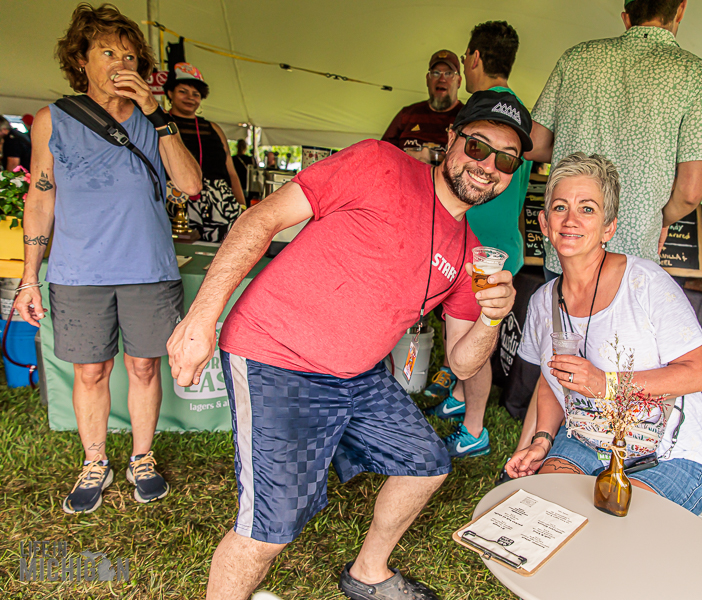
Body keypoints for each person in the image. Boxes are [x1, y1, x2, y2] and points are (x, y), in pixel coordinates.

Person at [166, 90, 531, 600]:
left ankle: (368, 572)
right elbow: (261, 218)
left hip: (357, 375)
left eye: (506, 159)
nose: (488, 165)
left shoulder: (470, 252)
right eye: (478, 146)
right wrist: (201, 318)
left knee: (427, 462)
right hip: (277, 356)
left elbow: (462, 362)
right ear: (451, 139)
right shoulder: (379, 163)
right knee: (270, 528)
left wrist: (492, 316)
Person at [13, 3, 201, 515]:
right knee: (91, 371)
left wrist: (158, 114)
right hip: (78, 272)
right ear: (81, 60)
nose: (121, 64)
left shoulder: (155, 120)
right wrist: (29, 277)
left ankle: (142, 456)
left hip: (149, 268)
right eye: (107, 53)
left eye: (130, 56)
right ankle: (95, 461)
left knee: (143, 366)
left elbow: (190, 185)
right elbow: (41, 198)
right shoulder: (53, 119)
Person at [505, 152, 702, 515]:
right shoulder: (543, 300)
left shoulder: (646, 283)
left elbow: (699, 373)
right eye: (560, 207)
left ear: (609, 228)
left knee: (619, 526)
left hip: (667, 452)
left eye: (587, 209)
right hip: (586, 440)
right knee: (544, 510)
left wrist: (605, 383)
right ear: (544, 222)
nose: (570, 219)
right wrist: (541, 440)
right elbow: (551, 380)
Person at [528, 0, 702, 273]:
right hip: (632, 259)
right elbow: (690, 193)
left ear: (626, 18)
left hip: (569, 249)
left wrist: (576, 141)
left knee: (557, 302)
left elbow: (534, 146)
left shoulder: (576, 58)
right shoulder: (699, 76)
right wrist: (659, 221)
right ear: (680, 9)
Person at [425, 21, 531, 460]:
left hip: (481, 251)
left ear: (473, 58)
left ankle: (474, 429)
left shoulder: (482, 113)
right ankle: (460, 398)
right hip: (499, 245)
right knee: (461, 330)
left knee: (476, 344)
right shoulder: (521, 120)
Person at [163, 62, 246, 242]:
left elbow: (231, 173)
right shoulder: (161, 125)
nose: (190, 98)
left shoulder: (213, 128)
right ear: (170, 93)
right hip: (176, 199)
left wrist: (242, 206)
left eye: (196, 94)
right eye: (183, 91)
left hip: (220, 203)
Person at [381, 50, 463, 164]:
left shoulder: (466, 118)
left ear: (459, 81)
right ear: (427, 79)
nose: (442, 79)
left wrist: (434, 157)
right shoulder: (407, 115)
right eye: (436, 73)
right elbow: (382, 153)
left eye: (449, 73)